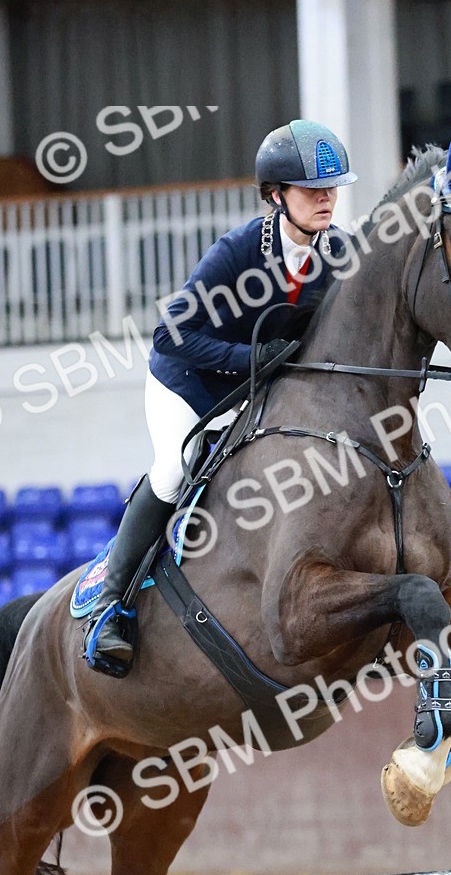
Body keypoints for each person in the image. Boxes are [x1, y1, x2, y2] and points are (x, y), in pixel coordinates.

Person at [82, 120, 357, 675]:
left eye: (332, 188)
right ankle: (112, 604)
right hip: (190, 384)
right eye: (312, 189)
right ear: (277, 196)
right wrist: (249, 361)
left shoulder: (342, 254)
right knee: (173, 469)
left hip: (261, 393)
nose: (326, 198)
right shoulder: (236, 253)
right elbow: (170, 334)